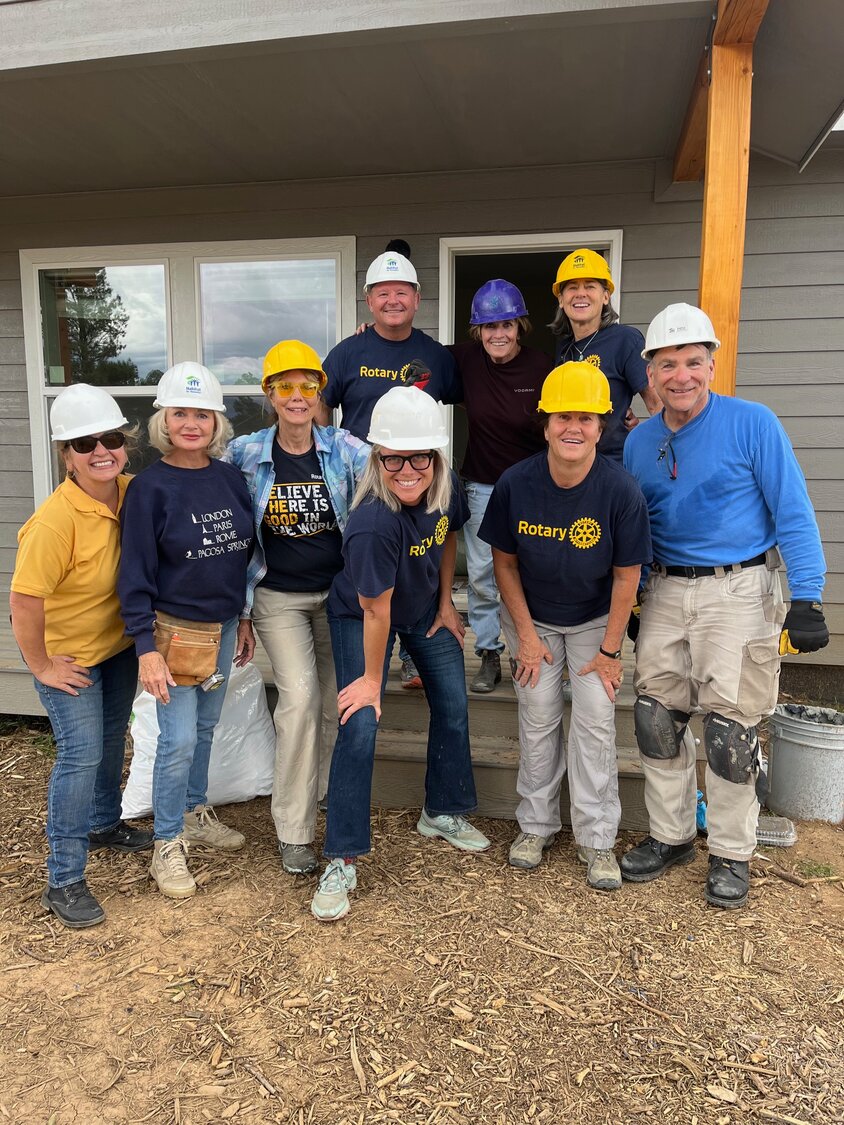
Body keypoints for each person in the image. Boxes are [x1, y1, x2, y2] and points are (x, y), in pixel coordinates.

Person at [621, 303, 829, 909]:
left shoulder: (752, 424)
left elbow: (792, 509)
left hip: (737, 589)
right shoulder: (640, 444)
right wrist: (632, 596)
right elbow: (640, 524)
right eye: (667, 364)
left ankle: (733, 853)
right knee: (656, 718)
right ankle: (672, 835)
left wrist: (808, 595)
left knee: (730, 729)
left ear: (711, 365)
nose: (680, 375)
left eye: (692, 362)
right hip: (664, 588)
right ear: (651, 374)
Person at [311, 387, 490, 922]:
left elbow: (448, 537)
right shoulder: (373, 522)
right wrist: (372, 679)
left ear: (436, 458)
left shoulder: (444, 485)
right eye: (394, 457)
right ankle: (341, 855)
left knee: (454, 702)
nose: (408, 469)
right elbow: (373, 613)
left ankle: (442, 811)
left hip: (420, 607)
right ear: (377, 457)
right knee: (360, 723)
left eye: (420, 457)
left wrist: (446, 605)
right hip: (363, 615)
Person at [479, 363, 651, 889]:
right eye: (561, 417)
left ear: (603, 426)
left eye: (584, 418)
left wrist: (611, 651)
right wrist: (526, 637)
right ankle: (535, 825)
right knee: (538, 717)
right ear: (545, 422)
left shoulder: (620, 491)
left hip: (595, 622)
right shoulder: (516, 483)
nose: (572, 428)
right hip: (532, 618)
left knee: (595, 721)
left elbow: (628, 576)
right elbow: (503, 563)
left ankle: (597, 838)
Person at [224, 340, 369, 877]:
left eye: (308, 385)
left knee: (336, 703)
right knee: (301, 700)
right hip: (277, 596)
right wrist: (237, 611)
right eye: (284, 386)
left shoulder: (344, 448)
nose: (297, 395)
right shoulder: (244, 454)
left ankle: (327, 794)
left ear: (320, 392)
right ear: (269, 394)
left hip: (338, 595)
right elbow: (206, 497)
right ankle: (294, 829)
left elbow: (393, 467)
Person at [10, 385, 152, 929]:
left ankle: (102, 823)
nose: (101, 451)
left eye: (111, 438)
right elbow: (24, 601)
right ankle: (64, 878)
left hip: (116, 647)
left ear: (126, 443)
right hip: (69, 660)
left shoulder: (132, 491)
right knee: (81, 755)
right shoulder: (54, 522)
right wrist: (42, 666)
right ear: (65, 454)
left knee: (113, 740)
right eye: (83, 442)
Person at [118, 363, 255, 899]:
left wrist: (241, 618)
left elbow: (243, 554)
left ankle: (196, 811)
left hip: (220, 627)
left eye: (202, 413)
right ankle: (166, 843)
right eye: (181, 413)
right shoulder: (150, 489)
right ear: (164, 420)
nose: (191, 423)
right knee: (174, 740)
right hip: (173, 632)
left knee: (204, 729)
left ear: (216, 421)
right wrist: (145, 650)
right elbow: (134, 575)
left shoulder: (228, 478)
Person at [319, 249, 461, 688]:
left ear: (418, 299)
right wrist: (327, 452)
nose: (392, 300)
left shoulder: (435, 355)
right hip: (365, 481)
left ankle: (412, 652)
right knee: (372, 564)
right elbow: (323, 405)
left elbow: (464, 397)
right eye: (383, 293)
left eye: (402, 292)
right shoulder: (348, 351)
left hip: (416, 476)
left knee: (420, 556)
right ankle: (373, 650)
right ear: (369, 300)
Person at [449, 280, 553, 693]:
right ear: (477, 330)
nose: (498, 334)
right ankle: (489, 652)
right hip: (482, 486)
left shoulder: (542, 366)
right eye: (489, 327)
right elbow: (411, 353)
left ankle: (526, 649)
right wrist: (374, 335)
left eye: (506, 325)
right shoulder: (466, 360)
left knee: (532, 570)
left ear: (519, 326)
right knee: (482, 574)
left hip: (533, 487)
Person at [550, 248, 661, 460]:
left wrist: (651, 449)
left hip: (614, 464)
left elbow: (657, 403)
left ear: (605, 296)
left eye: (590, 286)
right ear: (561, 299)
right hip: (570, 464)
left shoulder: (626, 340)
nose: (580, 293)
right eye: (572, 287)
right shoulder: (564, 348)